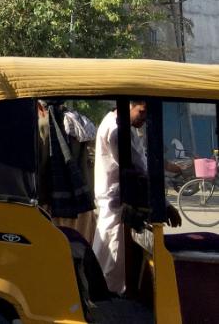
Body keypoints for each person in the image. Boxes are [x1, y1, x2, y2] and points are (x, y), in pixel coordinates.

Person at [92, 101, 181, 295]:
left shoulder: (124, 127)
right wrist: (165, 205)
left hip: (120, 204)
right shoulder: (117, 131)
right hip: (119, 205)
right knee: (113, 265)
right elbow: (139, 171)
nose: (144, 118)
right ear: (130, 105)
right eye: (141, 112)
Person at [36, 100, 98, 242]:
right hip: (82, 204)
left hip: (51, 207)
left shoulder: (41, 126)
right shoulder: (82, 122)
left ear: (39, 106)